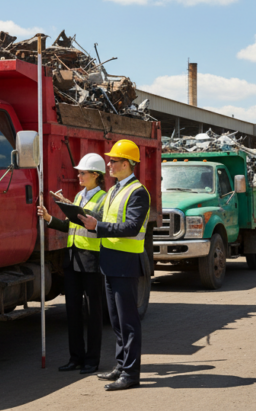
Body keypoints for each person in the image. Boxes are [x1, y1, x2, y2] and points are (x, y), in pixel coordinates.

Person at [79, 139, 150, 392]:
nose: (108, 165)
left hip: (126, 262)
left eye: (113, 161)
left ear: (127, 164)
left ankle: (131, 373)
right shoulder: (114, 190)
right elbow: (109, 218)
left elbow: (131, 227)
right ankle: (121, 366)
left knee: (128, 322)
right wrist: (89, 218)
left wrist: (97, 226)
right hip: (110, 261)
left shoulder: (138, 192)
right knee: (117, 321)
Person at [37, 153, 107, 375]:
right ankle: (75, 358)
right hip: (73, 259)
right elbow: (70, 226)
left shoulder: (104, 199)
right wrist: (49, 218)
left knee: (93, 313)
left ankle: (92, 360)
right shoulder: (78, 196)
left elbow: (101, 225)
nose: (79, 176)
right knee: (73, 311)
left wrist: (84, 214)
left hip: (92, 260)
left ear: (95, 175)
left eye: (83, 173)